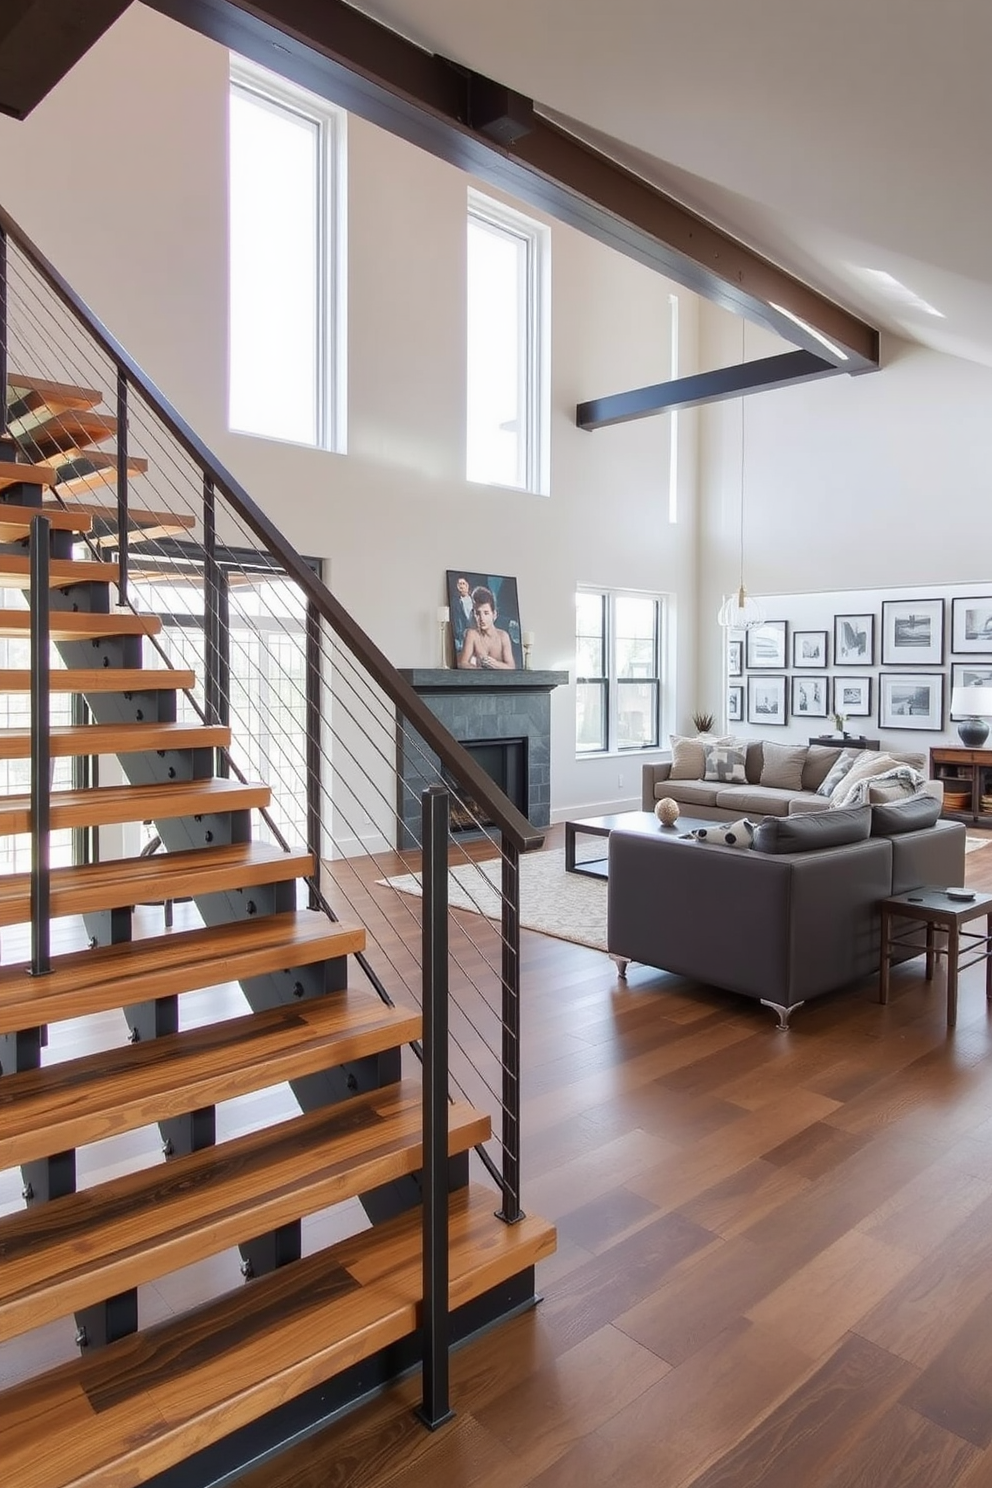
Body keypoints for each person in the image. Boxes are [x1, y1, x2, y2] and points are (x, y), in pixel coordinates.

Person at [457, 585, 516, 669]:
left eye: (486, 613)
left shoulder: (503, 636)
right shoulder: (472, 635)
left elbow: (511, 667)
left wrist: (493, 664)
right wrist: (479, 670)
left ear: (494, 614)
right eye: (478, 613)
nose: (482, 618)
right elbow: (463, 663)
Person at [451, 575, 475, 652]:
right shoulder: (455, 602)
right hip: (462, 636)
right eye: (459, 584)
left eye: (463, 583)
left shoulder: (474, 599)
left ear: (467, 585)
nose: (461, 586)